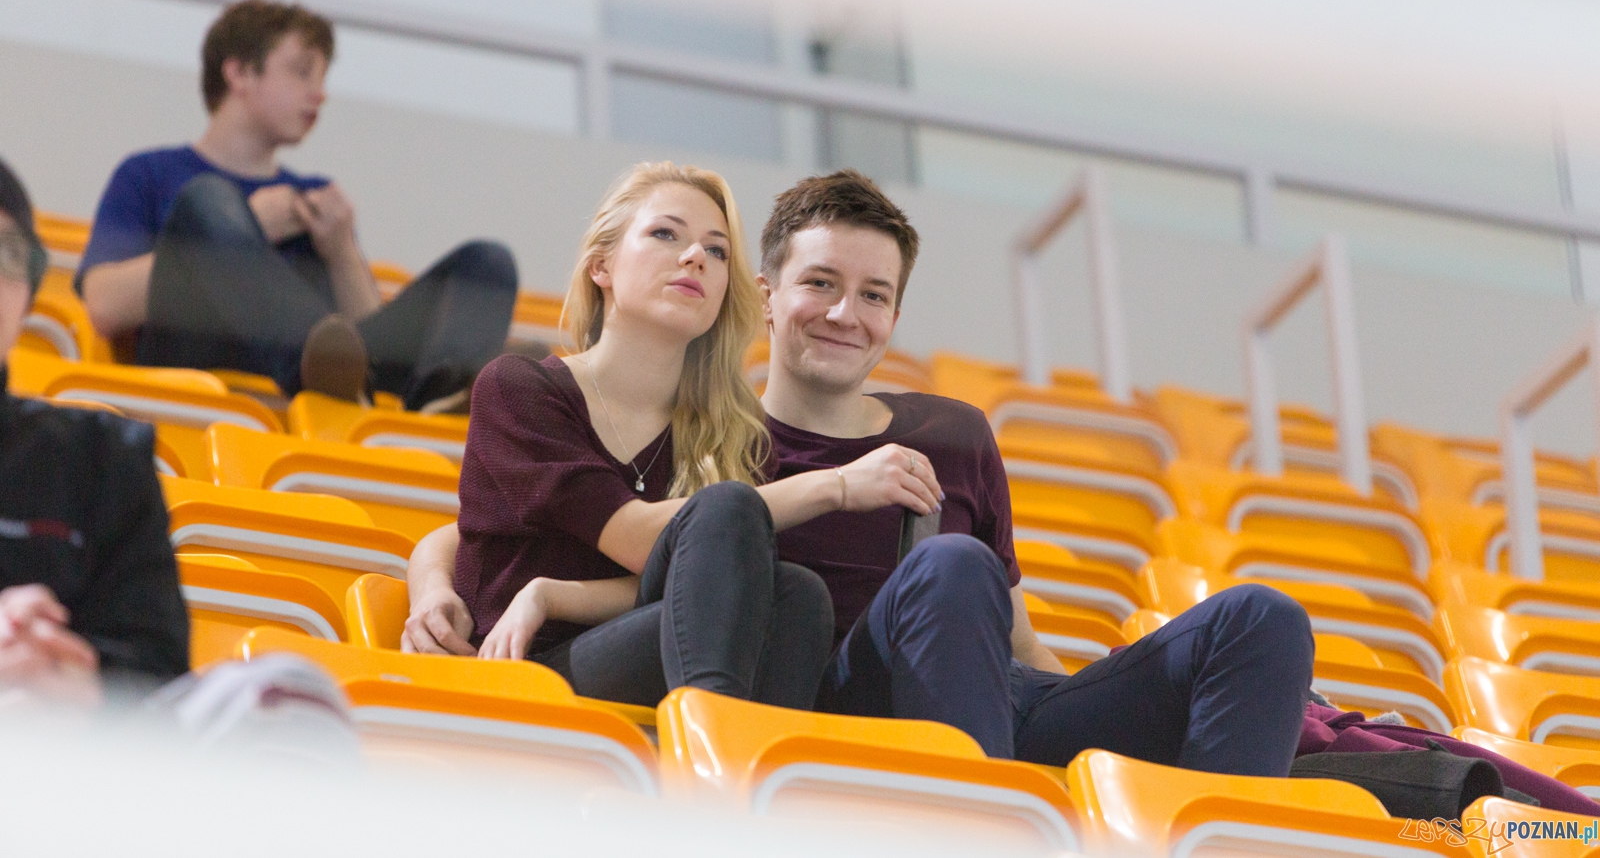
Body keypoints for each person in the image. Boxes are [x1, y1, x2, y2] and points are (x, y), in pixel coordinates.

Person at [408, 168, 1314, 775]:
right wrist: (438, 575)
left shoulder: (954, 432)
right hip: (854, 698)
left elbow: (1016, 628)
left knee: (1261, 619)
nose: (845, 312)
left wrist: (1081, 692)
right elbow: (526, 522)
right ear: (766, 296)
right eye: (820, 285)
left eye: (874, 294)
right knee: (938, 567)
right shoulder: (728, 437)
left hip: (994, 698)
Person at [405, 161, 949, 712]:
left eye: (716, 251)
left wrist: (550, 594)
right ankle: (715, 750)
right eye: (666, 234)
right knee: (729, 510)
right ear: (602, 265)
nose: (695, 257)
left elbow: (695, 577)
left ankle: (739, 765)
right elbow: (637, 538)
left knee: (798, 595)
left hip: (653, 648)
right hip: (517, 667)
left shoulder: (734, 430)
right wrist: (836, 485)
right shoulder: (521, 389)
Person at [76, 0, 518, 411]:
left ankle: (442, 400)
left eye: (322, 78)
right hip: (195, 368)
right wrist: (247, 225)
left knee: (488, 264)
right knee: (208, 200)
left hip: (336, 391)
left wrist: (341, 249)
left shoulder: (315, 193)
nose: (319, 93)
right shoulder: (149, 174)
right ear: (240, 74)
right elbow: (105, 305)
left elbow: (361, 343)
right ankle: (305, 362)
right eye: (302, 72)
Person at [0, 159, 189, 704]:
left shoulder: (105, 458)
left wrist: (79, 681)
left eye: (8, 255)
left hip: (68, 764)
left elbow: (156, 675)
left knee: (286, 694)